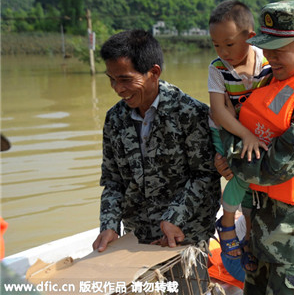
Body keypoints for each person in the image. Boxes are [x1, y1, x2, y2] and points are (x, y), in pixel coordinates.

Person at [216, 0, 294, 294]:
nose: (269, 56)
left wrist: (226, 143)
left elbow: (270, 169)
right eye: (266, 47)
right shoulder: (272, 79)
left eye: (279, 49)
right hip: (263, 232)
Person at [92, 29, 221, 252]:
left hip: (184, 235)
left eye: (125, 80)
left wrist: (174, 217)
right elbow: (113, 181)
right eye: (112, 80)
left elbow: (205, 175)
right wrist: (110, 225)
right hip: (136, 238)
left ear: (154, 72)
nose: (118, 89)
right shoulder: (114, 119)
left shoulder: (190, 113)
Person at [207, 0, 272, 269]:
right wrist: (245, 134)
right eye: (216, 45)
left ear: (250, 36)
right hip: (226, 130)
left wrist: (250, 133)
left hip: (254, 130)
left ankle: (246, 237)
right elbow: (219, 112)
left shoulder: (268, 63)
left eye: (229, 44)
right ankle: (227, 222)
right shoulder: (217, 68)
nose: (223, 51)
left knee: (252, 177)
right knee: (239, 173)